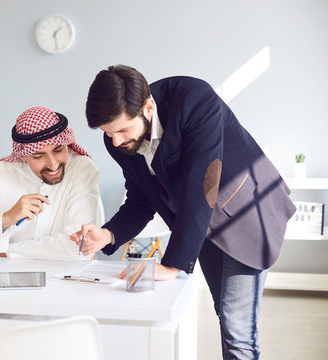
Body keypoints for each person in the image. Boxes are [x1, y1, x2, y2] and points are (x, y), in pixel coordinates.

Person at [70, 65, 296, 359]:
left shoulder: (194, 99)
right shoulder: (118, 141)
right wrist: (108, 234)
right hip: (201, 225)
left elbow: (203, 182)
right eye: (108, 133)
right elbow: (141, 199)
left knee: (238, 330)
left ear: (148, 107)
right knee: (225, 315)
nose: (115, 141)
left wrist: (173, 264)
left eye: (123, 130)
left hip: (245, 213)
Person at [0, 106, 102, 261]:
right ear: (22, 155)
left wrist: (6, 253)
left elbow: (79, 246)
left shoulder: (81, 168)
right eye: (38, 156)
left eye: (59, 150)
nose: (53, 165)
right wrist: (6, 219)